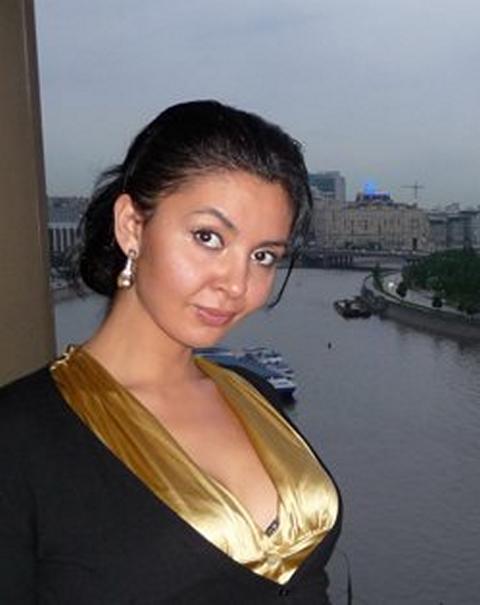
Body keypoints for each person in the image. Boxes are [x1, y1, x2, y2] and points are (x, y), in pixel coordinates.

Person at [0, 100, 341, 604]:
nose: (237, 284)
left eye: (263, 255)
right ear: (131, 226)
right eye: (208, 237)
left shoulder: (255, 394)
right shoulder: (18, 437)